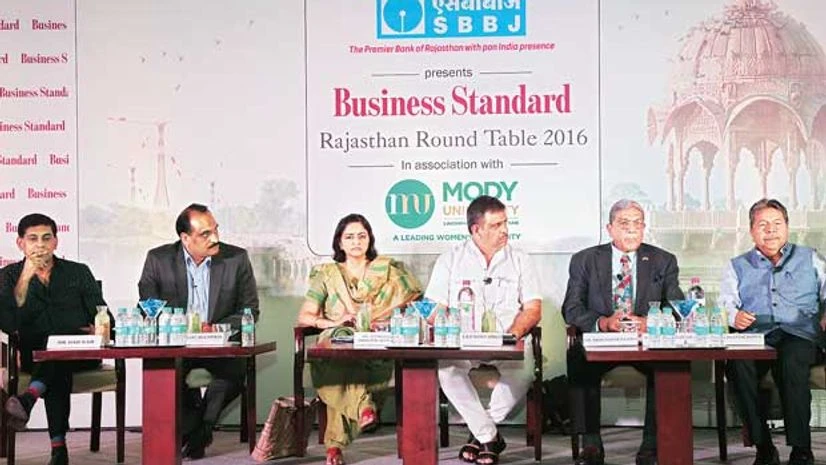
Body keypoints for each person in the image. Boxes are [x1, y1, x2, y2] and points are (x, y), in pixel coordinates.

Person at [562, 199, 684, 465]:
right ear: (609, 228)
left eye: (637, 224)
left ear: (644, 228)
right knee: (577, 358)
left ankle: (652, 447)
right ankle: (591, 444)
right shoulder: (585, 260)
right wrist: (604, 322)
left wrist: (649, 321)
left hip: (646, 341)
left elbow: (677, 308)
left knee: (669, 366)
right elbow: (571, 309)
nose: (632, 230)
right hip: (602, 340)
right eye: (624, 224)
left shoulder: (663, 260)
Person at [425, 195, 542, 465]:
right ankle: (489, 436)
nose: (505, 230)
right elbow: (432, 308)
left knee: (523, 371)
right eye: (497, 225)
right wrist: (448, 323)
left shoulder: (521, 260)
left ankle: (481, 436)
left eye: (505, 223)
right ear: (476, 229)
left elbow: (532, 309)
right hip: (463, 343)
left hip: (505, 341)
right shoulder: (450, 259)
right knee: (446, 370)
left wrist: (513, 335)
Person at [296, 213, 421, 465]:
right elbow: (306, 316)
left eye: (361, 236)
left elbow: (412, 304)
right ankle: (362, 407)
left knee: (341, 370)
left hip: (377, 343)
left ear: (369, 240)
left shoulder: (389, 272)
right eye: (349, 237)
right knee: (339, 349)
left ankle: (335, 446)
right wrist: (333, 322)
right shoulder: (327, 275)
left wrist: (387, 321)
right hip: (337, 340)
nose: (356, 242)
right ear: (339, 243)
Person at [138, 203, 259, 459]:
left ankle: (200, 431)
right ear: (185, 238)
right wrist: (177, 326)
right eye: (205, 234)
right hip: (177, 343)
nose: (215, 238)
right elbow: (148, 307)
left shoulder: (236, 259)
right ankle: (196, 430)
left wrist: (218, 328)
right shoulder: (158, 260)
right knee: (168, 375)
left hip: (218, 343)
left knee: (234, 374)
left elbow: (250, 310)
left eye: (215, 230)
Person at [720, 199, 825, 465]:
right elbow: (727, 303)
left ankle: (801, 449)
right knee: (736, 363)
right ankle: (763, 446)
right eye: (763, 224)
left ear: (787, 227)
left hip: (799, 334)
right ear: (752, 231)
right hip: (757, 335)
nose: (771, 230)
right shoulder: (736, 265)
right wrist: (735, 316)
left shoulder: (810, 257)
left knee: (791, 362)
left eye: (777, 223)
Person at [0, 213, 108, 465]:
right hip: (35, 354)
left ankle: (31, 400)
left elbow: (103, 313)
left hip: (81, 353)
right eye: (33, 239)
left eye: (46, 238)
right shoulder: (8, 276)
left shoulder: (78, 272)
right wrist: (25, 278)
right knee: (55, 364)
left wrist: (99, 328)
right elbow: (7, 323)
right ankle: (58, 449)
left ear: (56, 242)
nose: (40, 245)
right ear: (20, 243)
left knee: (57, 360)